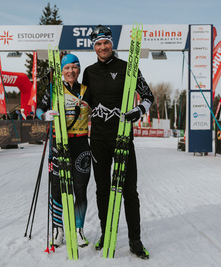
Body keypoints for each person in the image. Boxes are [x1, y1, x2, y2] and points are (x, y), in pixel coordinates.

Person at [82, 25, 154, 259]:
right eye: (98, 44)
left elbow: (148, 96)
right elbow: (84, 103)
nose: (103, 47)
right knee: (102, 191)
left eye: (106, 43)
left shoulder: (128, 67)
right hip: (99, 140)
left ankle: (135, 240)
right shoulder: (89, 72)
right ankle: (106, 233)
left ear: (112, 44)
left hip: (123, 137)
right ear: (94, 46)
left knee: (129, 191)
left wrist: (139, 109)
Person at [36, 54, 91, 248]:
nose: (71, 71)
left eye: (75, 67)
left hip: (82, 145)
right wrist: (45, 115)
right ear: (62, 71)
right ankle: (58, 230)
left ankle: (78, 231)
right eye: (67, 68)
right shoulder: (54, 90)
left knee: (80, 190)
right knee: (57, 189)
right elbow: (38, 109)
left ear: (79, 70)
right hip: (59, 144)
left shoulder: (86, 90)